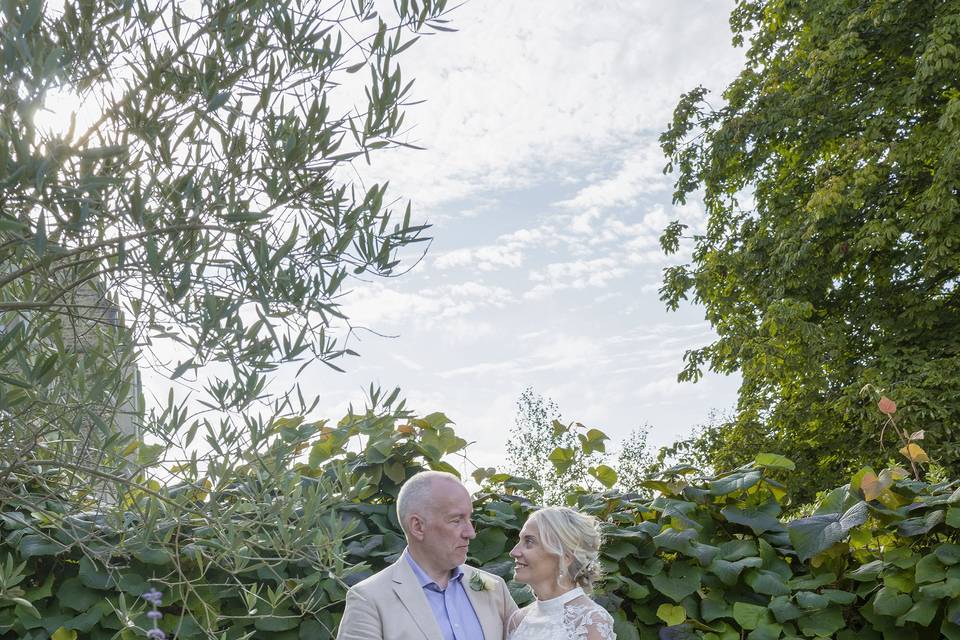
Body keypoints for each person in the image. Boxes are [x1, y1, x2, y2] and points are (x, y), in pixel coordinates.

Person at [337, 470, 518, 640]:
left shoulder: (494, 587)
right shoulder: (369, 600)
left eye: (469, 518)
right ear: (417, 527)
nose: (470, 532)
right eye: (456, 520)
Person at [507, 507, 615, 640]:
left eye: (529, 541)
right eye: (520, 540)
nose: (514, 552)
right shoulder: (518, 620)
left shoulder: (589, 622)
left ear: (565, 556)